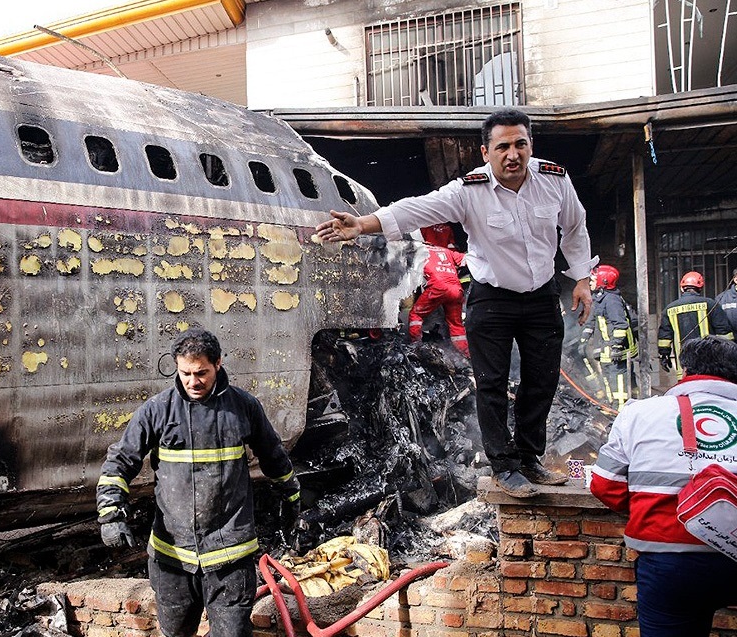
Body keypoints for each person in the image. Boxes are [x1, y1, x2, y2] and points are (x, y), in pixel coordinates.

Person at [315, 108, 597, 499]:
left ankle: (529, 458)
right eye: (502, 147)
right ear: (486, 152)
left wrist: (581, 279)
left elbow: (575, 227)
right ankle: (505, 467)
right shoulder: (469, 190)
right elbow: (417, 207)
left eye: (520, 144)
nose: (512, 154)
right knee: (492, 383)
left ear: (531, 146)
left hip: (542, 296)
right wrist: (363, 224)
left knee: (542, 380)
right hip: (492, 298)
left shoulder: (554, 180)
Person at [96, 328, 300, 637]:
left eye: (201, 372)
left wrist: (291, 495)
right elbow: (120, 462)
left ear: (218, 363)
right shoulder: (157, 410)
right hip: (173, 557)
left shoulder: (243, 407)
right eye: (185, 373)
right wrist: (111, 514)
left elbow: (273, 456)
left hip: (230, 556)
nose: (193, 381)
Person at [589, 336, 737, 637]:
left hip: (668, 562)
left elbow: (605, 485)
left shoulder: (639, 413)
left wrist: (651, 503)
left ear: (686, 371)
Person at [581, 264, 638, 408]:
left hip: (616, 351)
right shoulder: (599, 299)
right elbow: (591, 322)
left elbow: (620, 324)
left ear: (603, 281)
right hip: (606, 349)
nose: (590, 282)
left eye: (593, 279)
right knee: (608, 379)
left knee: (618, 382)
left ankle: (621, 410)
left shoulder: (612, 300)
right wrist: (583, 341)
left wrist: (617, 346)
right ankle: (612, 406)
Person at [657, 271, 734, 376]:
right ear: (700, 288)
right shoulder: (710, 304)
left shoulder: (669, 309)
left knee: (687, 384)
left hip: (683, 364)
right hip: (709, 362)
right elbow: (724, 332)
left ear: (682, 288)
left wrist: (664, 355)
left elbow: (664, 337)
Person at [409, 244, 469, 356]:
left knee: (415, 315)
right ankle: (466, 355)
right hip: (456, 289)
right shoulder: (446, 251)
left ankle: (416, 347)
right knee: (456, 325)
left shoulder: (418, 250)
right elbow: (467, 259)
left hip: (437, 287)